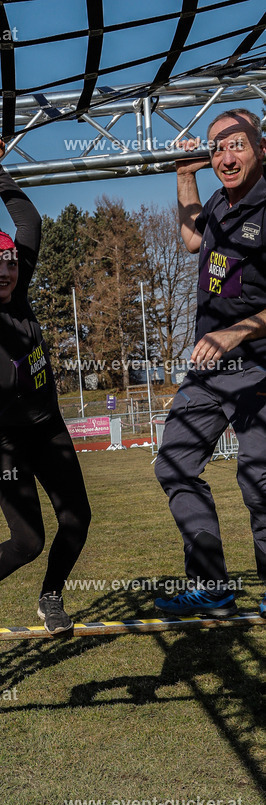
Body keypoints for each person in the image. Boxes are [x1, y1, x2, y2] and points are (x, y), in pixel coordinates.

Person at [0, 134, 91, 637]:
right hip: (4, 436)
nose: (7, 269)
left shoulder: (19, 287)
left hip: (46, 426)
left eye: (13, 263)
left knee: (77, 519)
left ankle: (51, 596)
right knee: (28, 540)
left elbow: (28, 222)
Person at [154, 108, 266, 619]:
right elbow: (193, 239)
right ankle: (211, 585)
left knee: (259, 475)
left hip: (260, 366)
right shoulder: (218, 203)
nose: (225, 156)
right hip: (209, 368)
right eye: (217, 147)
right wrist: (183, 175)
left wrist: (235, 331)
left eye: (237, 144)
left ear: (261, 150)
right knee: (173, 461)